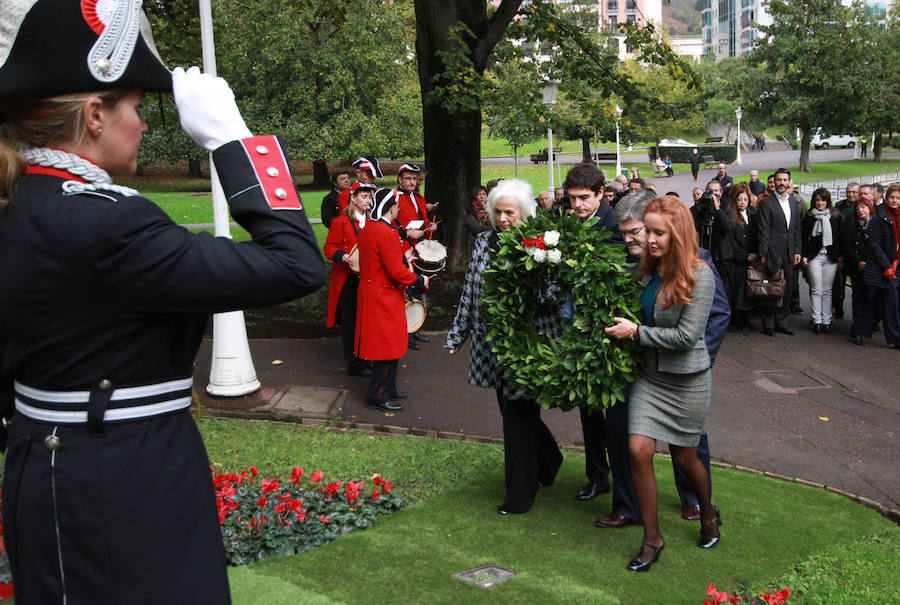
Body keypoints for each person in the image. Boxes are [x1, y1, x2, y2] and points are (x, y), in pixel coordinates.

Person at [0, 5, 327, 601]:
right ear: (96, 115)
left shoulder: (20, 201)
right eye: (137, 108)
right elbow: (296, 262)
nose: (146, 126)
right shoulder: (109, 224)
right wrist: (233, 138)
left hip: (49, 460)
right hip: (122, 478)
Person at [596, 192, 728, 530]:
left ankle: (705, 511)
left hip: (687, 380)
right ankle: (651, 537)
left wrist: (699, 360)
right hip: (649, 378)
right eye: (645, 233)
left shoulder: (700, 271)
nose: (645, 240)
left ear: (675, 233)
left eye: (656, 233)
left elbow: (693, 333)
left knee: (686, 456)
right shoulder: (644, 269)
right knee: (637, 449)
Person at [445, 179, 563, 514]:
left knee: (517, 418)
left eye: (509, 212)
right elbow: (471, 289)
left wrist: (534, 276)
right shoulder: (484, 241)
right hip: (492, 343)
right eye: (497, 212)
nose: (503, 218)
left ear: (525, 213)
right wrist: (458, 334)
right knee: (513, 413)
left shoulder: (541, 245)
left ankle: (520, 495)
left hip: (529, 344)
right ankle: (549, 460)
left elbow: (552, 298)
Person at [564, 164, 619, 501]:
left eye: (584, 198)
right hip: (580, 329)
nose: (578, 205)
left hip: (613, 331)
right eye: (572, 199)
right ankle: (598, 476)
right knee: (589, 411)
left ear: (601, 193)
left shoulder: (615, 226)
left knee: (617, 414)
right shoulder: (573, 225)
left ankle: (624, 483)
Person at [355, 188, 429, 411]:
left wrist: (402, 257)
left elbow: (380, 261)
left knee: (391, 345)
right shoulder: (386, 231)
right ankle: (378, 395)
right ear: (392, 207)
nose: (399, 208)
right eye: (397, 205)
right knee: (387, 347)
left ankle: (389, 387)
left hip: (376, 292)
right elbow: (396, 272)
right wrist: (419, 279)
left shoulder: (371, 228)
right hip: (383, 295)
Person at [324, 182, 377, 376]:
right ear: (353, 199)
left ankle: (367, 357)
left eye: (369, 197)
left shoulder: (372, 223)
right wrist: (341, 256)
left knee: (367, 319)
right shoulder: (340, 222)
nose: (367, 200)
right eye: (364, 197)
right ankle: (355, 364)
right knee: (351, 322)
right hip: (347, 279)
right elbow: (329, 247)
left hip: (368, 278)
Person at [848, 186, 900, 348]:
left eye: (898, 198)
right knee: (891, 301)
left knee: (876, 301)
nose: (895, 201)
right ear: (887, 197)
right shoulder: (878, 217)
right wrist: (887, 266)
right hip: (881, 267)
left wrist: (895, 263)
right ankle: (896, 338)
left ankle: (859, 331)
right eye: (892, 197)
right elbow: (874, 245)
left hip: (895, 265)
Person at [394, 162, 436, 349]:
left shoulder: (419, 197)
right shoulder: (394, 198)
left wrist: (430, 227)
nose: (412, 182)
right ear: (400, 180)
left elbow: (423, 219)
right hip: (402, 251)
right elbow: (386, 223)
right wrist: (405, 232)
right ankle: (405, 333)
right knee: (406, 293)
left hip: (419, 250)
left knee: (418, 288)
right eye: (408, 179)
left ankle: (415, 328)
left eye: (414, 179)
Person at [756, 168, 802, 336]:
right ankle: (768, 324)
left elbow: (796, 229)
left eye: (785, 180)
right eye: (779, 180)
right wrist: (763, 254)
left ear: (789, 182)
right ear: (774, 182)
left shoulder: (794, 203)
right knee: (771, 289)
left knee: (787, 288)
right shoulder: (766, 203)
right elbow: (763, 230)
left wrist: (797, 250)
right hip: (772, 253)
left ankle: (783, 322)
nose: (782, 183)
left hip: (790, 252)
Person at [800, 188, 843, 334]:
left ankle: (827, 320)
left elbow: (839, 238)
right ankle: (817, 320)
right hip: (814, 257)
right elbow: (803, 237)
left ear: (827, 201)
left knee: (827, 290)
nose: (820, 203)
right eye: (817, 200)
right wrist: (804, 255)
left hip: (831, 257)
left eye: (823, 200)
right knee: (816, 289)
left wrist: (840, 257)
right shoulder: (809, 216)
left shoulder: (835, 216)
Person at [718, 183, 758, 334]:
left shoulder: (752, 215)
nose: (743, 202)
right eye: (740, 199)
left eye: (745, 200)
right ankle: (736, 322)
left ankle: (745, 321)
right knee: (735, 293)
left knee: (749, 291)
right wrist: (744, 256)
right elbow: (730, 241)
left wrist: (754, 254)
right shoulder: (732, 216)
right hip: (737, 261)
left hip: (751, 259)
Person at [842, 199, 872, 329]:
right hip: (856, 266)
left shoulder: (876, 225)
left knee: (870, 296)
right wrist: (858, 261)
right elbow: (847, 246)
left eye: (864, 207)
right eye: (858, 208)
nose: (861, 210)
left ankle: (868, 323)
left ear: (870, 208)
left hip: (873, 267)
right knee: (858, 296)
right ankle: (858, 326)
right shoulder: (852, 224)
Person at [463, 185, 491, 251]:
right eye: (478, 194)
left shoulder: (491, 211)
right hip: (476, 248)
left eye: (484, 194)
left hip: (490, 244)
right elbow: (478, 230)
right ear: (474, 197)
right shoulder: (470, 213)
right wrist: (495, 229)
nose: (482, 197)